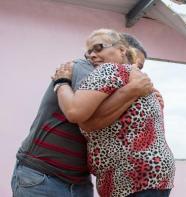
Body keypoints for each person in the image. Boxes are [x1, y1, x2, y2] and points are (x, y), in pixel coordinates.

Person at [11, 32, 154, 197]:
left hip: (79, 182)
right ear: (121, 51)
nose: (135, 68)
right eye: (132, 59)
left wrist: (147, 95)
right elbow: (82, 115)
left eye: (140, 67)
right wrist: (61, 83)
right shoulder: (86, 67)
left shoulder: (123, 83)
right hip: (43, 176)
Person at [53, 29, 175, 197]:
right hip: (157, 174)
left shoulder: (110, 70)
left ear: (121, 50)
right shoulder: (142, 84)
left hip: (131, 177)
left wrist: (61, 82)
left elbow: (74, 112)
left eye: (99, 48)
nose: (92, 56)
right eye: (89, 52)